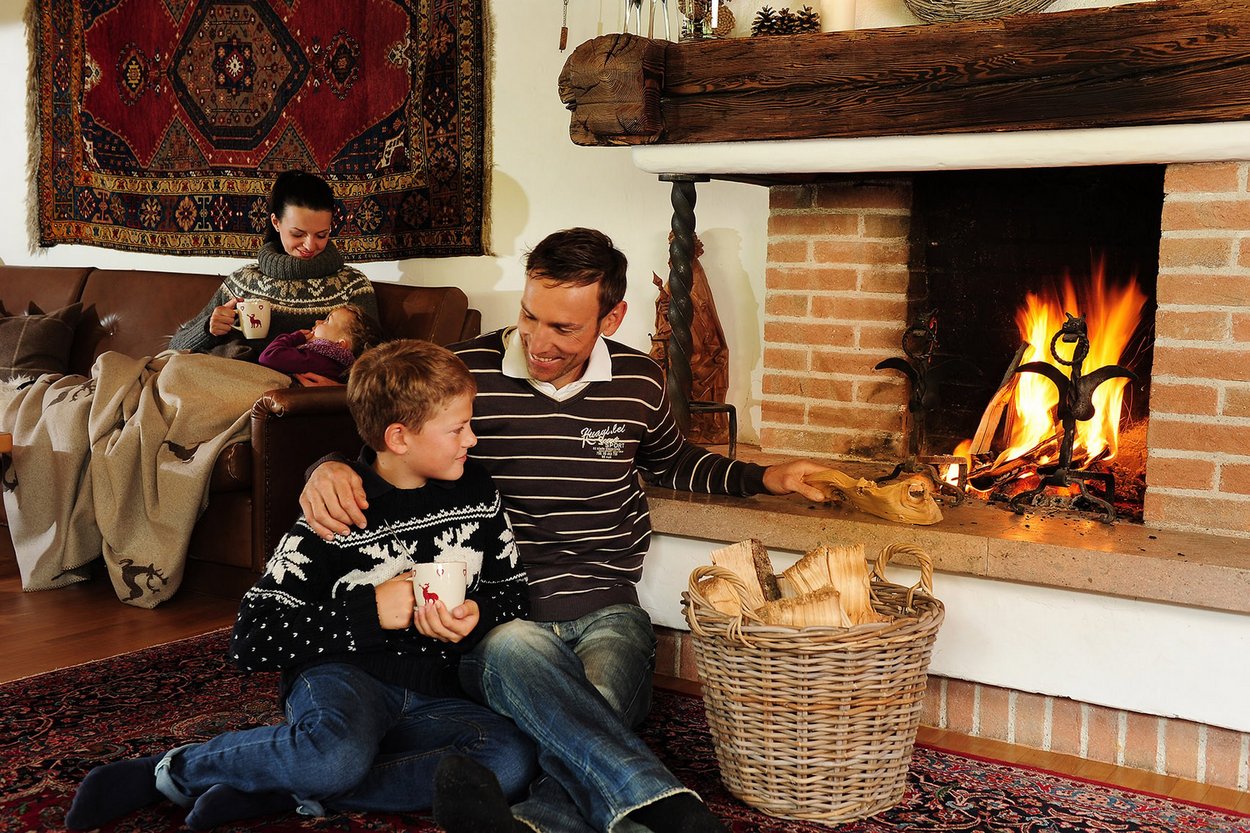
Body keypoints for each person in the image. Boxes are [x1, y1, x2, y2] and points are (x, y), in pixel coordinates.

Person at [300, 228, 828, 833]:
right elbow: (389, 450)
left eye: (564, 328)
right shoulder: (461, 373)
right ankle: (673, 811)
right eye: (530, 316)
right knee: (567, 701)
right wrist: (327, 467)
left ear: (612, 318)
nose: (539, 341)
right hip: (501, 615)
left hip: (606, 609)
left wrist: (765, 477)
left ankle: (533, 826)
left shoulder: (639, 381)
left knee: (587, 710)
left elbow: (676, 462)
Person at [65, 340, 536, 831]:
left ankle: (281, 785)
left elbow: (512, 593)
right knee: (333, 754)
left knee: (509, 760)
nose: (471, 439)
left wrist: (478, 612)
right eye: (458, 429)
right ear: (398, 437)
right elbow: (252, 637)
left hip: (436, 690)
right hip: (343, 677)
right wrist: (370, 610)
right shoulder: (334, 512)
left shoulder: (476, 490)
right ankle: (168, 771)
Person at [169, 170, 379, 382]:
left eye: (321, 235)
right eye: (298, 234)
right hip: (221, 382)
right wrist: (208, 328)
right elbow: (175, 346)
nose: (310, 245)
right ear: (276, 222)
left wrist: (337, 391)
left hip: (290, 397)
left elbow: (378, 364)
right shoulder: (241, 281)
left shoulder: (353, 285)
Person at [258, 302, 382, 383]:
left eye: (327, 321)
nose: (317, 321)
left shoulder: (314, 359)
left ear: (340, 344)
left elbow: (267, 357)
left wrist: (294, 337)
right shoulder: (338, 367)